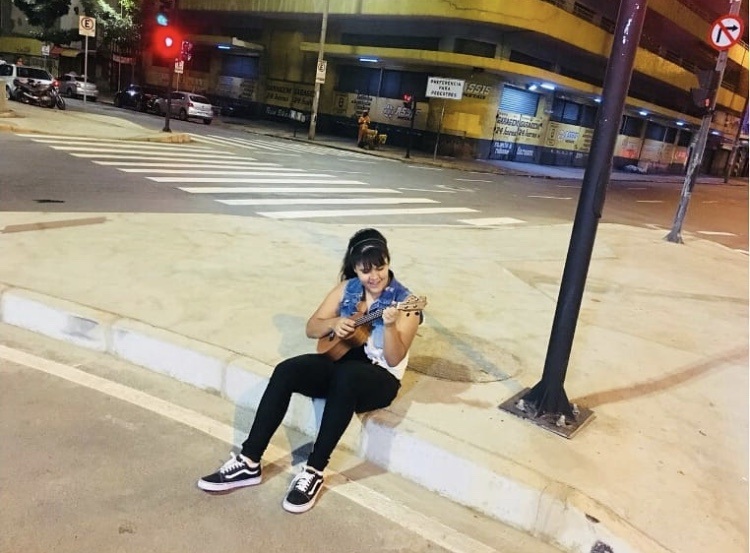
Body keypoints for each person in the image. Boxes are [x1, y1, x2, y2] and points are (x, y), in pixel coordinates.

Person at [198, 228, 422, 513]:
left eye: (380, 267)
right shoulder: (348, 288)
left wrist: (389, 326)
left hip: (380, 378)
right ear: (355, 269)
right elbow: (311, 327)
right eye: (366, 271)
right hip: (341, 363)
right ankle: (249, 461)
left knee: (347, 377)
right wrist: (334, 323)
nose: (374, 276)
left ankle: (314, 471)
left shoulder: (406, 302)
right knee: (286, 371)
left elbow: (394, 358)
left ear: (388, 262)